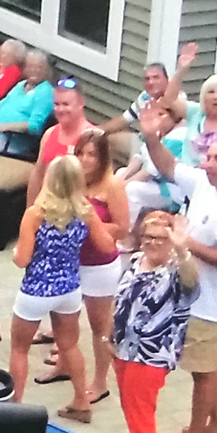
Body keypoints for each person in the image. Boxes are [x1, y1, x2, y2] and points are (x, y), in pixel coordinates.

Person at [137, 106, 217, 433]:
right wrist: (151, 137)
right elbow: (169, 167)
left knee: (201, 370)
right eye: (208, 156)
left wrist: (185, 243)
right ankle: (216, 428)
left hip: (211, 302)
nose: (208, 163)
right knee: (212, 363)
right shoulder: (207, 182)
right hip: (198, 294)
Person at [111, 210, 200, 433]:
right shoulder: (136, 260)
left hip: (151, 355)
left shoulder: (176, 271)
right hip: (125, 348)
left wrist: (183, 250)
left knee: (142, 417)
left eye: (161, 238)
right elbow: (122, 300)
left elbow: (192, 285)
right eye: (148, 236)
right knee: (130, 409)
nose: (153, 242)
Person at [9, 155, 109, 422]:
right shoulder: (86, 212)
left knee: (19, 349)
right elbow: (107, 245)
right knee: (70, 345)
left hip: (36, 289)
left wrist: (16, 253)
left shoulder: (36, 214)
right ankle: (81, 402)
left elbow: (22, 260)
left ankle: (13, 409)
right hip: (69, 288)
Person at [68, 126, 128, 408]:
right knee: (64, 319)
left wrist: (92, 225)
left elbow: (122, 227)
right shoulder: (72, 180)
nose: (85, 159)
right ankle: (63, 365)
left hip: (99, 265)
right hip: (70, 260)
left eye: (92, 154)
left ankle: (101, 382)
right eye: (81, 153)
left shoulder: (112, 185)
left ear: (103, 157)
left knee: (99, 326)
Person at [0, 50, 56, 157]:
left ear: (46, 70)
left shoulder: (45, 92)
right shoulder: (21, 85)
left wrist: (6, 126)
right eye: (30, 66)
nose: (34, 70)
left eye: (39, 67)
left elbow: (34, 126)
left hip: (12, 140)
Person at [25, 78, 96, 203]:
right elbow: (38, 174)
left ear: (81, 103)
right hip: (46, 205)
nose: (60, 109)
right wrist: (30, 209)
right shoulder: (49, 133)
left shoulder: (92, 138)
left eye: (66, 104)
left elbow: (99, 185)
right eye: (56, 104)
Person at [101, 47, 195, 136]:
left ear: (167, 79)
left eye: (156, 77)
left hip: (168, 143)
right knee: (112, 138)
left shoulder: (178, 98)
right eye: (147, 79)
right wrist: (99, 130)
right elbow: (124, 119)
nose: (151, 82)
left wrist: (181, 71)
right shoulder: (145, 96)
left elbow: (168, 103)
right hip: (145, 140)